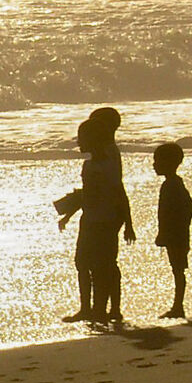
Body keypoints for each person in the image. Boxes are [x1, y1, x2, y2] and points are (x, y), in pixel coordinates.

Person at [57, 106, 132, 324]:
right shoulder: (103, 158)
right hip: (96, 217)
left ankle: (96, 309)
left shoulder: (102, 162)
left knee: (96, 265)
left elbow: (106, 191)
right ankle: (95, 309)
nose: (78, 142)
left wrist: (70, 209)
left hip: (100, 220)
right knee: (93, 264)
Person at [152, 140, 192, 319]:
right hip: (178, 234)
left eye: (158, 161)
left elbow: (183, 208)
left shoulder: (172, 185)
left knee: (177, 269)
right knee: (177, 268)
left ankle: (178, 306)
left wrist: (168, 232)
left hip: (176, 235)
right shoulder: (174, 183)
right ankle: (177, 305)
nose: (154, 164)